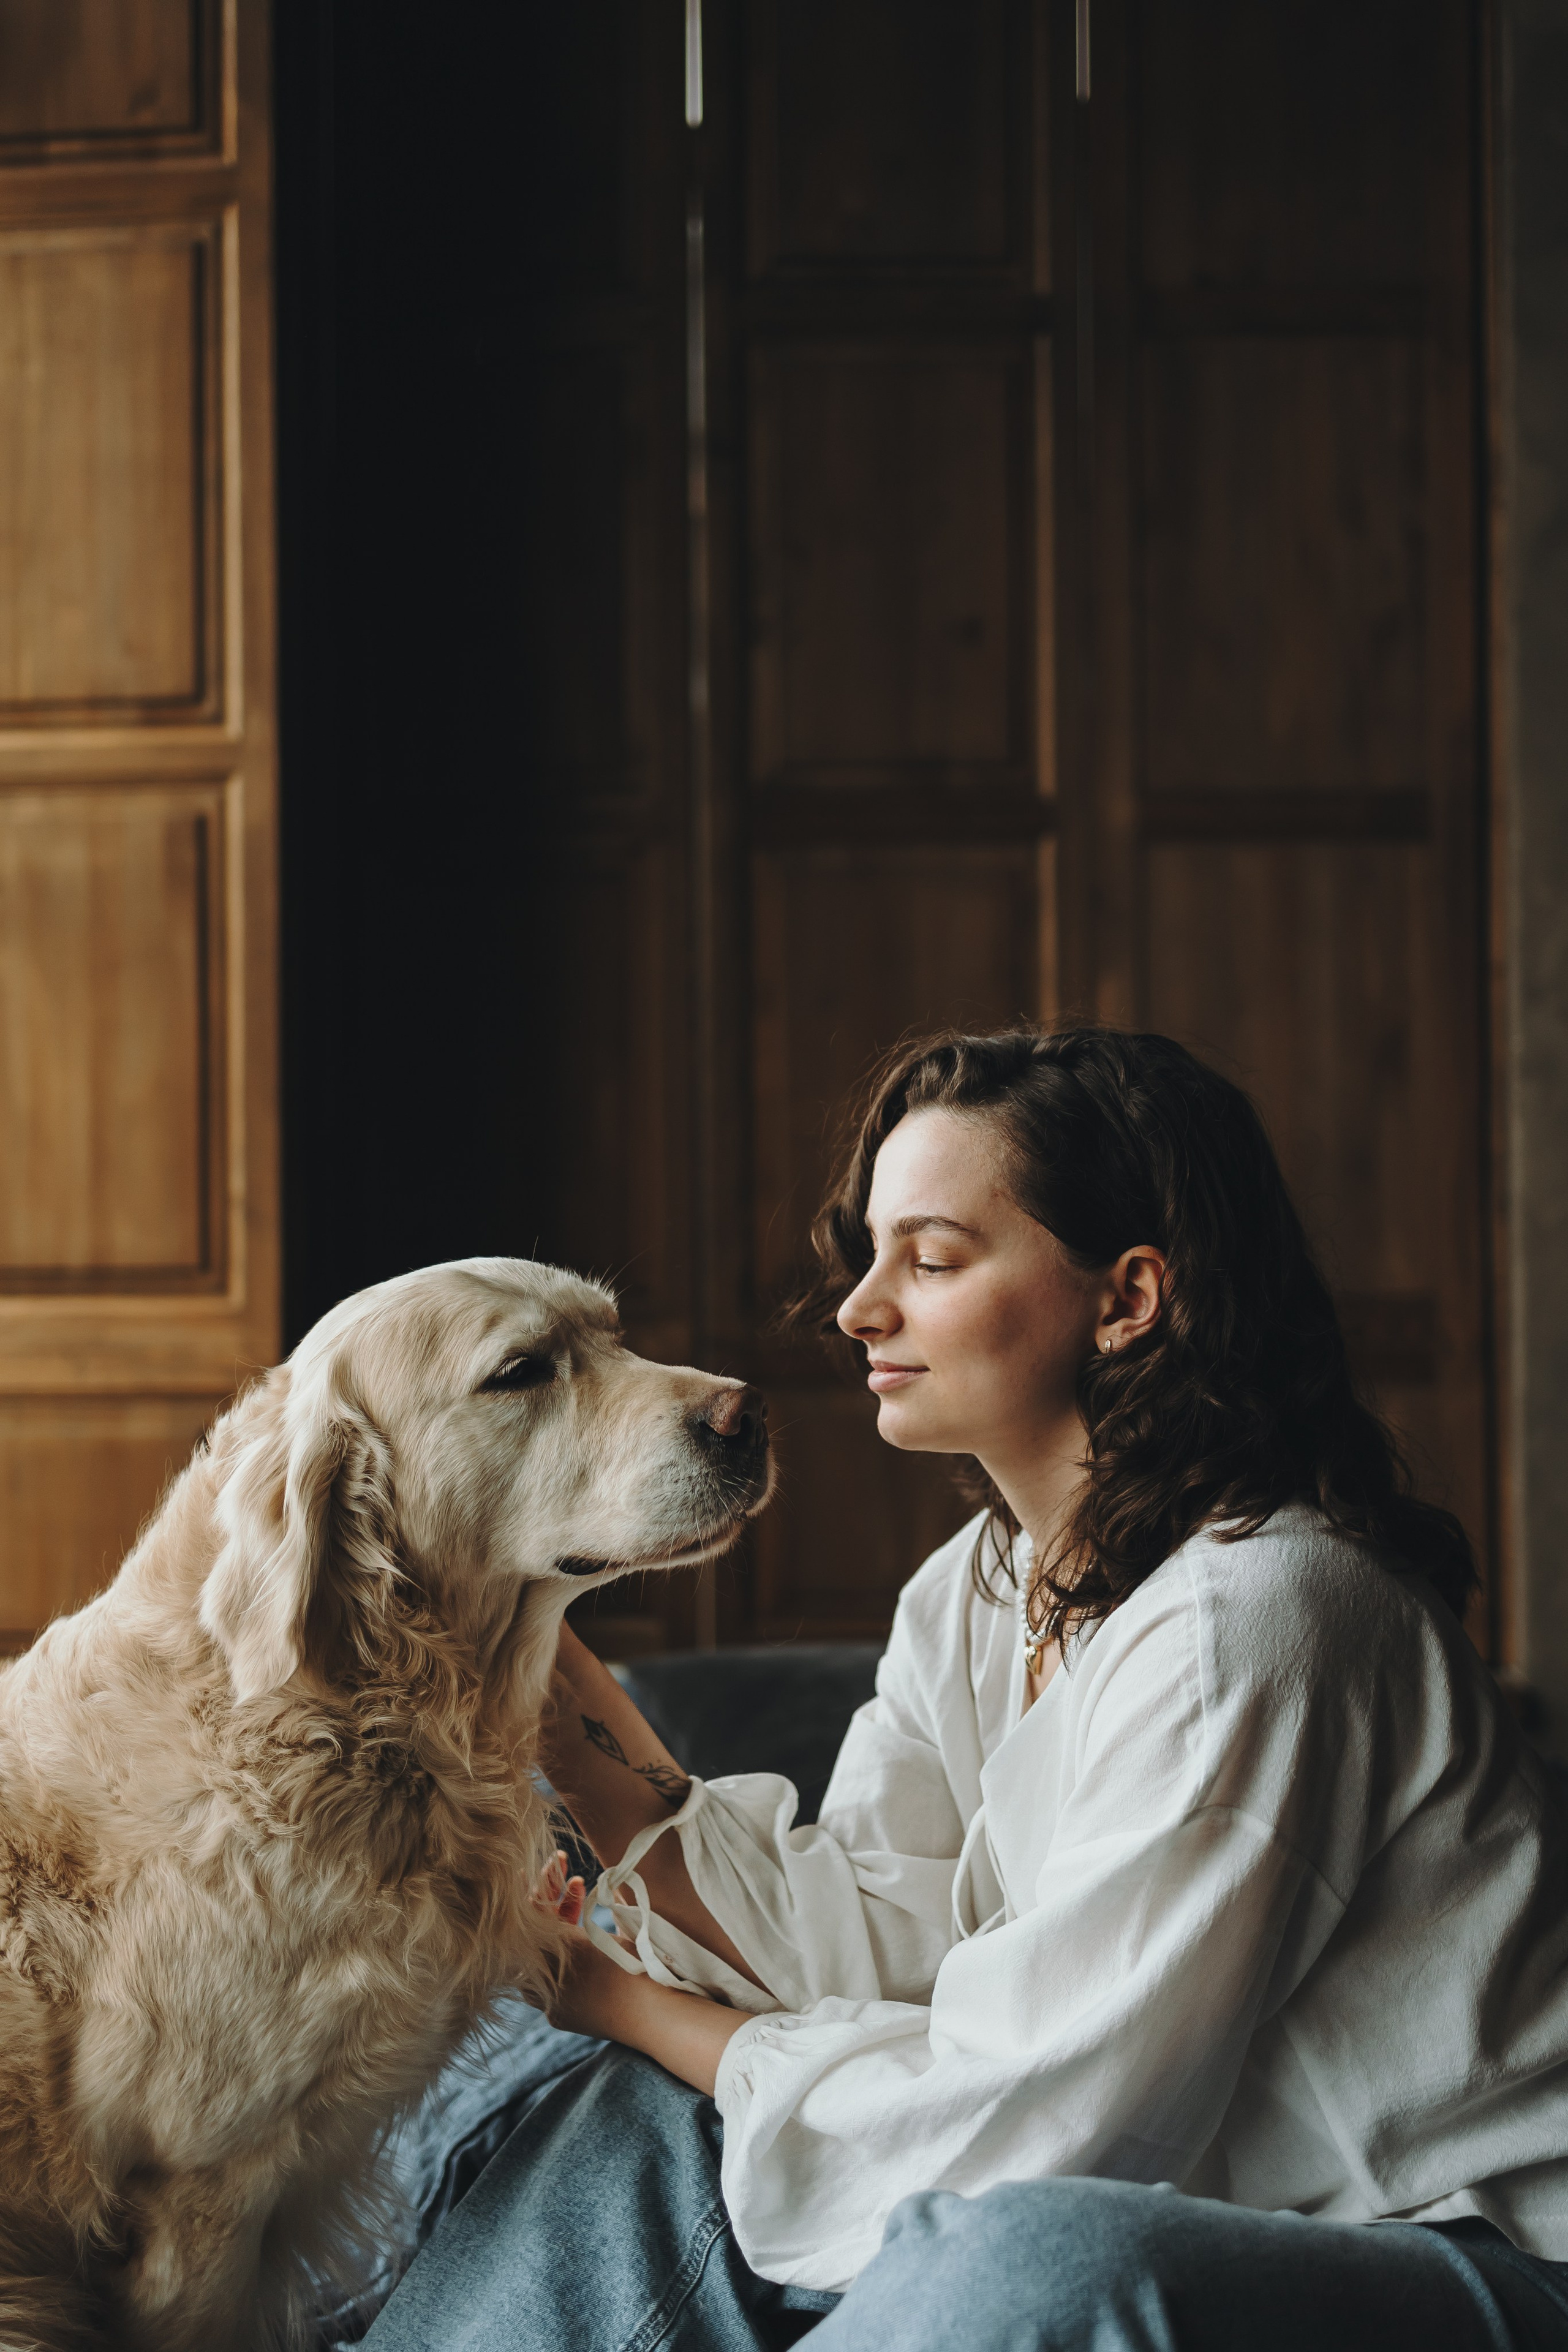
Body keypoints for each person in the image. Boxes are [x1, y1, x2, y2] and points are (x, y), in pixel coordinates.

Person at [358, 1027, 1568, 2352]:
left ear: (1126, 1298)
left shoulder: (1260, 1622)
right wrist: (499, 1587)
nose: (857, 1309)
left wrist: (636, 2005)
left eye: (929, 1260)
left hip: (1456, 2249)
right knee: (648, 2115)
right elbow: (871, 1945)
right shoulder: (978, 1587)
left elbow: (1033, 2126)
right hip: (1190, 2197)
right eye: (869, 1256)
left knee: (1024, 2257)